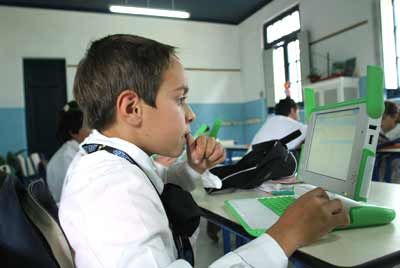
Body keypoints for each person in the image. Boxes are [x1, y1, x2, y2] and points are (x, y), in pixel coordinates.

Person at [59, 34, 349, 268]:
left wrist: (192, 168)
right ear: (132, 108)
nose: (191, 114)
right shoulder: (114, 192)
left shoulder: (104, 162)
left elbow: (154, 181)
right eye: (180, 99)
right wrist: (285, 236)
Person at [46, 101, 90, 203]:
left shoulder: (69, 152)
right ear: (74, 132)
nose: (91, 130)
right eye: (87, 127)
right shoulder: (69, 157)